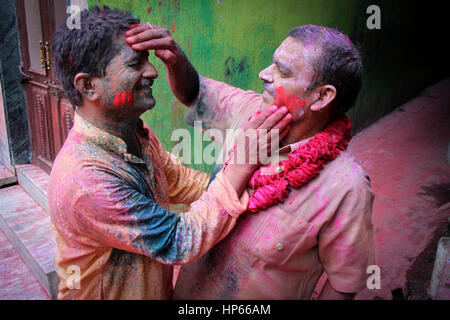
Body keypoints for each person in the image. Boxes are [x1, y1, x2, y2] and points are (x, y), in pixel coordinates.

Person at [48, 6, 291, 300]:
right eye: (134, 64)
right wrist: (241, 163)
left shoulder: (133, 132)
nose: (152, 72)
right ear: (88, 85)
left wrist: (261, 190)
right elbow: (178, 241)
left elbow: (181, 181)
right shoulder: (85, 180)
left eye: (148, 60)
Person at [125, 23, 376, 299]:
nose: (264, 74)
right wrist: (175, 57)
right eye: (272, 63)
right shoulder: (250, 112)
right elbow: (194, 93)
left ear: (322, 96)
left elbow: (344, 286)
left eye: (283, 71)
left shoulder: (346, 188)